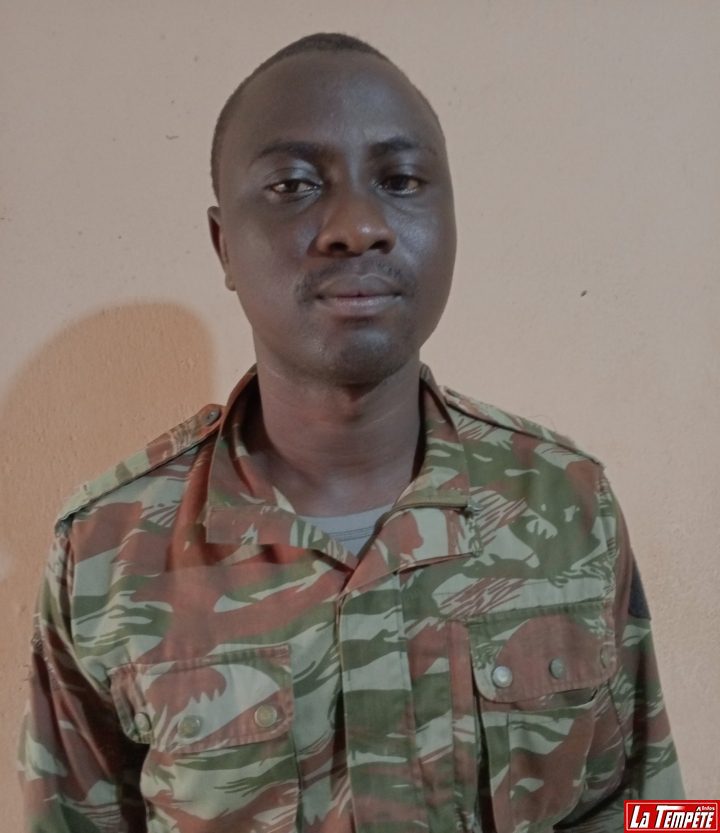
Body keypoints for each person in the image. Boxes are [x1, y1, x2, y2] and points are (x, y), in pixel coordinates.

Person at [19, 32, 683, 833]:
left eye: (399, 181)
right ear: (224, 244)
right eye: (294, 185)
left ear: (451, 219)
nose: (358, 226)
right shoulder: (107, 550)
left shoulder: (567, 499)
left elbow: (657, 811)